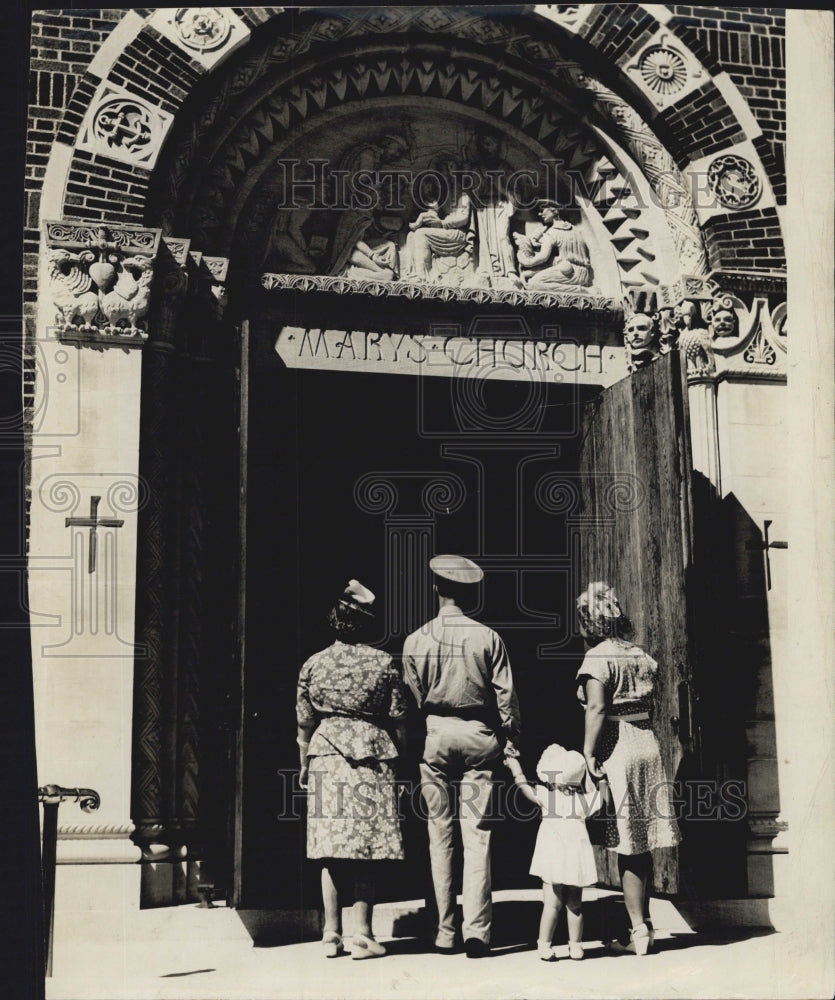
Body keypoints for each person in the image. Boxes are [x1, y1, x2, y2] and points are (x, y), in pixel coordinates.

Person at [402, 554, 521, 958]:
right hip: (479, 738)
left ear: (436, 589)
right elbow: (506, 698)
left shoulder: (415, 640)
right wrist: (512, 740)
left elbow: (413, 697)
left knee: (440, 838)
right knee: (478, 838)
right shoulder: (488, 638)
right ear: (471, 593)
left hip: (435, 737)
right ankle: (478, 933)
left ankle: (445, 931)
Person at [296, 579, 408, 959]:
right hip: (371, 754)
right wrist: (402, 757)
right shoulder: (382, 662)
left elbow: (304, 723)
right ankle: (362, 934)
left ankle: (331, 932)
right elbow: (399, 717)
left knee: (330, 847)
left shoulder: (313, 663)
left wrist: (303, 765)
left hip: (326, 752)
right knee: (366, 845)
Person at [575, 582, 682, 956]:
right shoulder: (639, 654)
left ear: (590, 621)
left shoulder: (597, 659)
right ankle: (645, 926)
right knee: (642, 842)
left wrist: (588, 752)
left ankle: (637, 929)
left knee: (627, 842)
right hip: (647, 744)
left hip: (618, 745)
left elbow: (597, 708)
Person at [506, 744, 602, 961]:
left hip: (552, 858)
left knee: (551, 904)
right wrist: (601, 778)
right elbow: (600, 798)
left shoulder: (547, 797)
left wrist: (515, 768)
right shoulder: (582, 801)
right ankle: (576, 946)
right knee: (575, 905)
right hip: (575, 858)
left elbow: (524, 787)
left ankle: (544, 945)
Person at [513, 201, 592, 290]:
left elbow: (543, 258)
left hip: (569, 273)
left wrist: (522, 258)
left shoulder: (552, 233)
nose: (539, 214)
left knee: (533, 284)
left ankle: (584, 291)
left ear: (554, 210)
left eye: (542, 210)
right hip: (583, 274)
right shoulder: (575, 230)